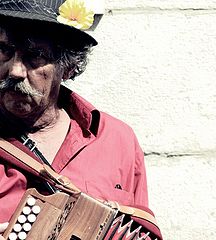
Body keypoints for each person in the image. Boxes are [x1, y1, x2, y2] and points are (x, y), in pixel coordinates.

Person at [0, 0, 162, 239]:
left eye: (35, 56)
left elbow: (137, 229)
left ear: (67, 68)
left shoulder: (117, 139)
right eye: (4, 50)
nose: (15, 70)